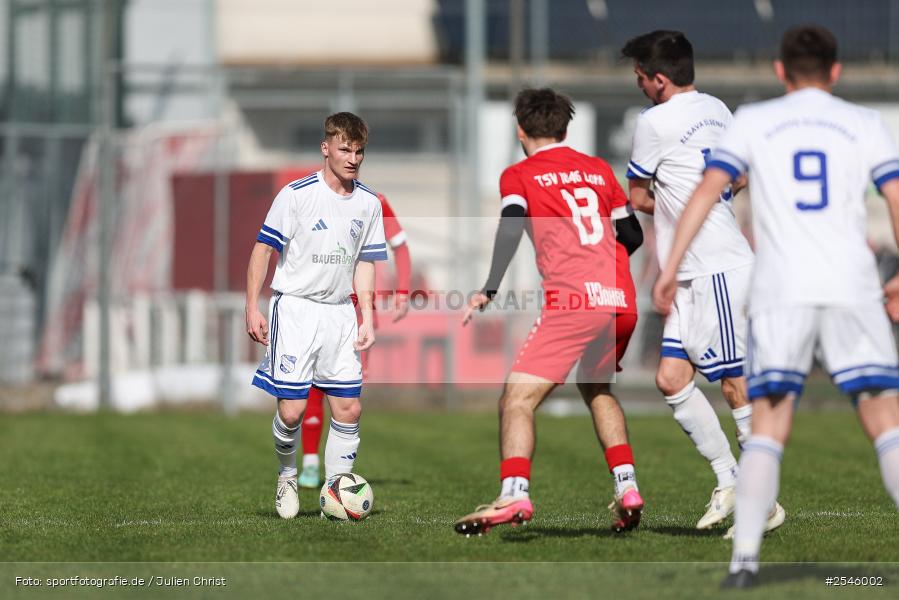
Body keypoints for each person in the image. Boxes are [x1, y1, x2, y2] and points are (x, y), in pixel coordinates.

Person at [653, 25, 899, 588]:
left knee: (767, 426)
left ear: (779, 70)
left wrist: (669, 269)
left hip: (781, 289)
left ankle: (744, 565)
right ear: (836, 71)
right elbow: (895, 196)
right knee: (885, 422)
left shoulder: (756, 121)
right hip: (852, 288)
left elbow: (707, 191)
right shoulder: (865, 124)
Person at [453, 87, 646, 535]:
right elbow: (632, 234)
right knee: (597, 388)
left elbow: (512, 225)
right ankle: (627, 486)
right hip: (619, 299)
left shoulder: (520, 174)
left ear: (521, 129)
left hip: (574, 301)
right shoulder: (599, 170)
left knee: (516, 399)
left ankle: (515, 493)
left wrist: (491, 286)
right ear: (565, 127)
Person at [621, 30, 785, 533]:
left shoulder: (653, 122)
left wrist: (672, 200)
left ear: (660, 80)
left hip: (716, 268)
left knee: (736, 385)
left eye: (641, 77)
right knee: (672, 378)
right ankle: (730, 480)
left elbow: (639, 196)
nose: (639, 84)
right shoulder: (718, 108)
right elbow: (738, 176)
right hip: (698, 269)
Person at [245, 112, 388, 519]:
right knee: (291, 411)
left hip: (341, 314)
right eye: (345, 149)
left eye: (359, 151)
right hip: (296, 310)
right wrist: (252, 304)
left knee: (349, 409)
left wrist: (367, 317)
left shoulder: (369, 203)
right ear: (326, 148)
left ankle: (335, 493)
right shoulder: (296, 195)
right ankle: (287, 475)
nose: (353, 158)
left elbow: (365, 262)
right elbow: (262, 250)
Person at [298, 194, 412, 489]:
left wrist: (402, 291)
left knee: (347, 395)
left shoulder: (376, 201)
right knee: (311, 385)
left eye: (356, 153)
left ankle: (339, 472)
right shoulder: (310, 197)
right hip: (319, 304)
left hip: (359, 310)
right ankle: (310, 463)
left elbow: (400, 246)